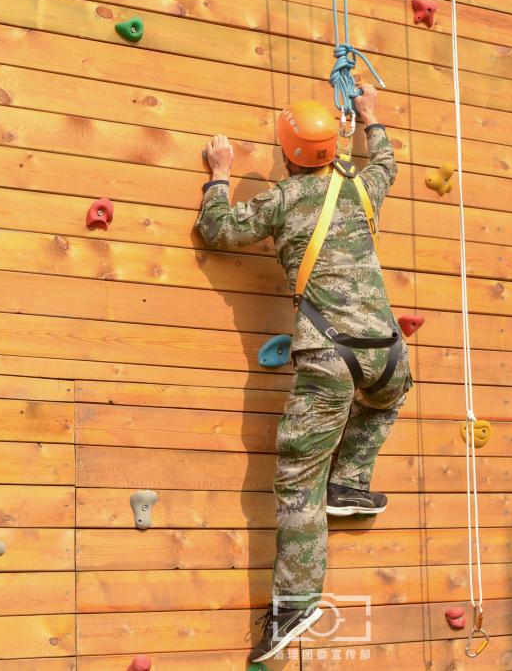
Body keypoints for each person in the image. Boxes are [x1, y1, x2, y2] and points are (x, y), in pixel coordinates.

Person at [196, 84, 413, 663]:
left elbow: (218, 230)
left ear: (288, 154)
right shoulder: (362, 187)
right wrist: (371, 117)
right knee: (384, 400)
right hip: (389, 355)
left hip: (328, 356)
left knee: (298, 483)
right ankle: (352, 480)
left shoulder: (283, 200)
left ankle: (295, 604)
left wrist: (220, 174)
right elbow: (387, 163)